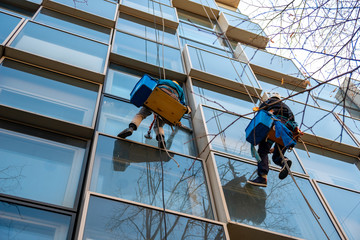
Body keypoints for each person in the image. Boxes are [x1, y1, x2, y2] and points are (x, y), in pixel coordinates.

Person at [117, 79, 191, 149]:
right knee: (159, 125)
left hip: (157, 96)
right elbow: (182, 104)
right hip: (170, 104)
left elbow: (153, 84)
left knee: (141, 115)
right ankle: (161, 139)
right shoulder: (181, 90)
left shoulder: (165, 81)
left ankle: (131, 128)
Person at [247, 92, 296, 187]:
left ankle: (262, 177)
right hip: (286, 132)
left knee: (263, 151)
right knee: (276, 157)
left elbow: (260, 113)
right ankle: (284, 161)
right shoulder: (286, 107)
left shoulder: (269, 101)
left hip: (273, 128)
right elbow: (293, 121)